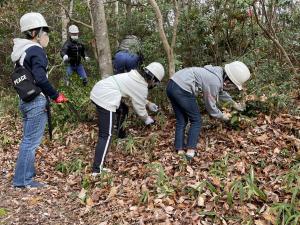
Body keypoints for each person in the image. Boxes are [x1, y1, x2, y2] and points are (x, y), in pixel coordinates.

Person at [11, 12, 68, 188]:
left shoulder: (21, 51)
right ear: (35, 33)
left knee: (27, 140)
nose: (47, 37)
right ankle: (23, 181)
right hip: (36, 101)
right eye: (45, 33)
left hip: (25, 100)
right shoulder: (36, 50)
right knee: (31, 142)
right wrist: (56, 95)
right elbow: (41, 79)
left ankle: (23, 177)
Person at [90, 62, 165, 175]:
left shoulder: (135, 77)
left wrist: (148, 104)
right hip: (105, 97)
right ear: (153, 79)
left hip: (100, 90)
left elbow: (136, 94)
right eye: (156, 82)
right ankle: (97, 170)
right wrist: (147, 119)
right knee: (106, 134)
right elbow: (139, 107)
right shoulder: (141, 85)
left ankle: (121, 135)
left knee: (123, 109)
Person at [166, 61, 251, 159]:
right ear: (228, 80)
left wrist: (235, 104)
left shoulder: (217, 73)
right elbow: (211, 107)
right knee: (196, 120)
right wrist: (222, 116)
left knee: (182, 120)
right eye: (233, 85)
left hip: (171, 85)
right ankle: (190, 152)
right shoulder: (214, 81)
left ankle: (179, 150)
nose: (231, 88)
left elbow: (221, 93)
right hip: (182, 89)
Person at [113, 35, 150, 139]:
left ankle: (118, 105)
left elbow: (116, 52)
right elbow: (141, 59)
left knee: (118, 83)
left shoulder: (123, 41)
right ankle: (131, 99)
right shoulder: (137, 41)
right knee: (132, 79)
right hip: (132, 57)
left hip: (119, 56)